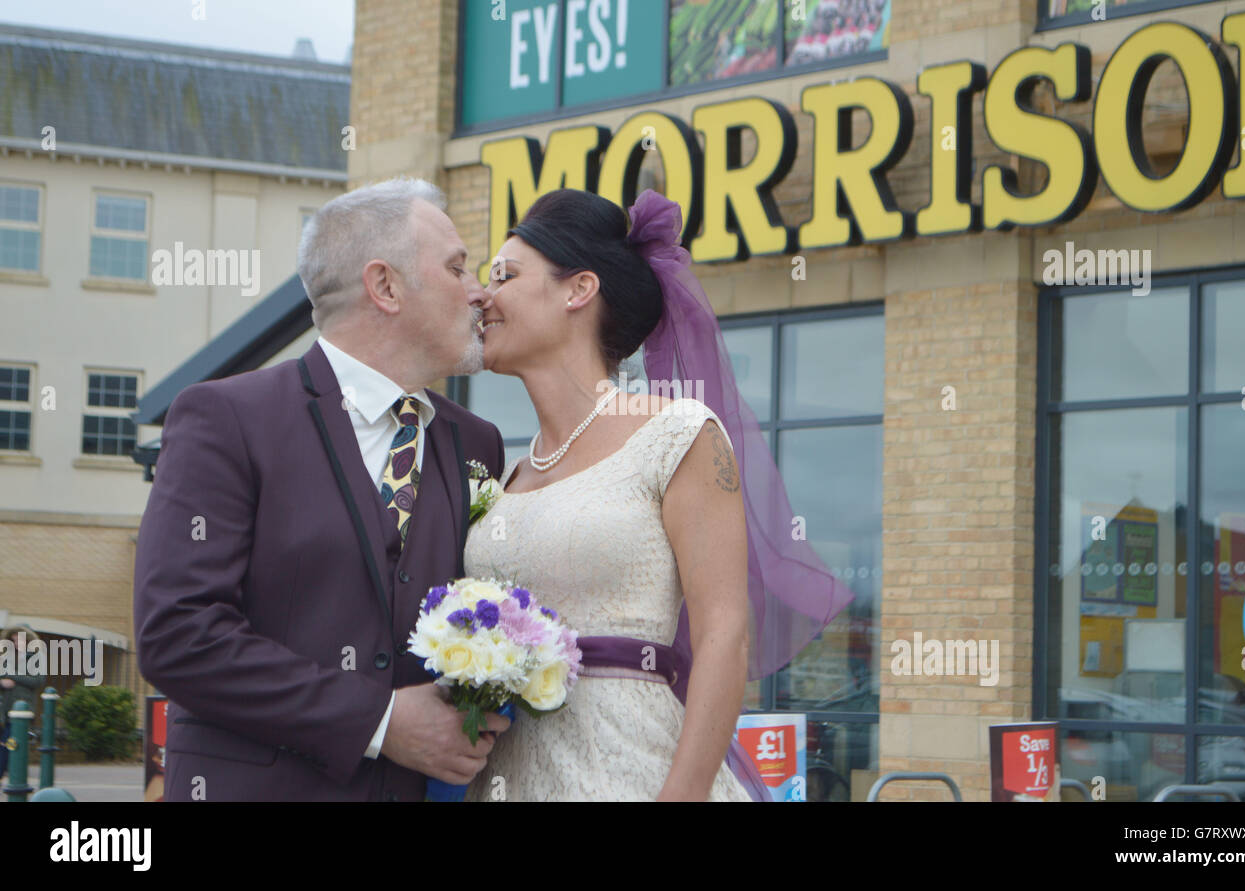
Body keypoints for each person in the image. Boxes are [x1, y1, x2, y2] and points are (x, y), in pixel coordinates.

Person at [463, 188, 853, 801]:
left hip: (635, 773)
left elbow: (725, 632)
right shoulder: (507, 476)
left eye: (505, 276)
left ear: (578, 290)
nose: (483, 296)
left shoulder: (676, 434)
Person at [134, 177, 511, 801]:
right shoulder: (226, 418)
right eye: (457, 267)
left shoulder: (478, 444)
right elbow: (178, 632)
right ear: (385, 285)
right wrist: (380, 721)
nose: (478, 293)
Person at [0, 625, 46, 779]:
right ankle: (12, 774)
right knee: (8, 743)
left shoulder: (36, 657)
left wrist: (13, 676)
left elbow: (38, 680)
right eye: (12, 640)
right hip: (5, 709)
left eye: (18, 639)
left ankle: (9, 775)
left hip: (22, 709)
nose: (15, 643)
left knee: (10, 743)